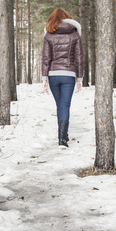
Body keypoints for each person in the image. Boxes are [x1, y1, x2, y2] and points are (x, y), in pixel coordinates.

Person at [42, 8, 84, 147]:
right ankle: (62, 140)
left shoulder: (49, 34)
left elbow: (46, 58)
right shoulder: (74, 34)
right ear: (68, 18)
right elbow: (79, 58)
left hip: (53, 75)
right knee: (64, 106)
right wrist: (80, 78)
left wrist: (44, 78)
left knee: (60, 106)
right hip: (69, 75)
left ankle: (62, 137)